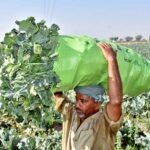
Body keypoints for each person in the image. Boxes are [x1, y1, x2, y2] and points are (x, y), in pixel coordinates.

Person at [53, 43, 123, 150]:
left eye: (83, 100)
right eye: (76, 98)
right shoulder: (71, 112)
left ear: (97, 103)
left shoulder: (105, 123)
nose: (77, 104)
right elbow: (56, 94)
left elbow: (116, 102)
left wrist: (111, 59)